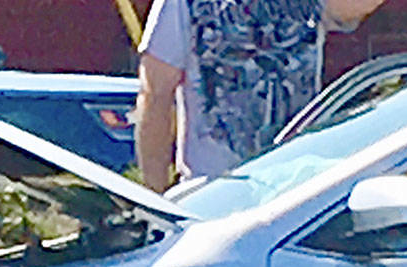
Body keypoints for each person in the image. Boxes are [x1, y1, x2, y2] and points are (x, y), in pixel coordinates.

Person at [134, 0, 387, 192]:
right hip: (213, 196)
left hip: (294, 193)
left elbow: (354, 6)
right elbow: (155, 95)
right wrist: (155, 201)